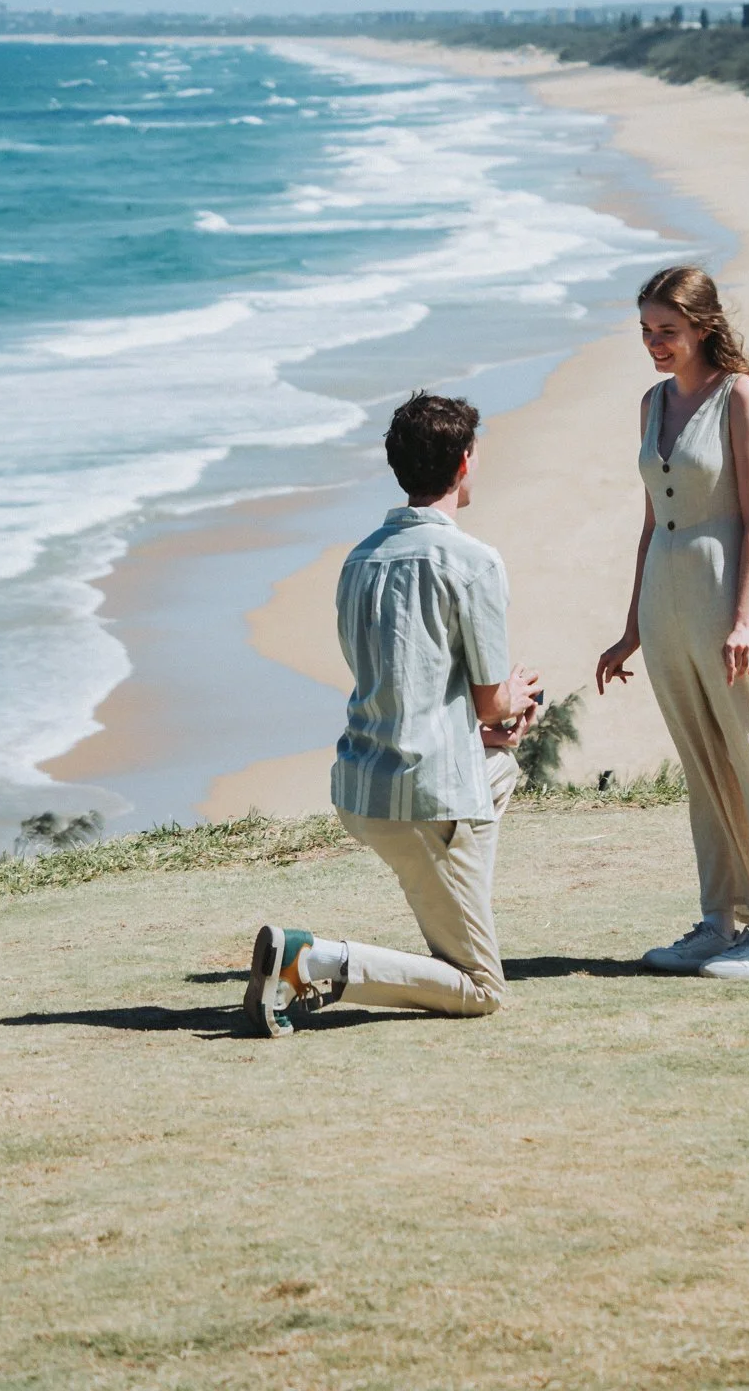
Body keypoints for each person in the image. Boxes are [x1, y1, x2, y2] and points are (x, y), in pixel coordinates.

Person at [245, 391, 540, 1037]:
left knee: (497, 766)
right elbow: (493, 699)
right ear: (465, 464)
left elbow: (404, 684)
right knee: (482, 989)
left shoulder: (358, 561)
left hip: (360, 786)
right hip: (424, 796)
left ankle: (462, 926)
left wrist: (483, 726)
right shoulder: (472, 560)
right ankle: (313, 959)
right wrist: (515, 700)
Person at [596, 266, 749, 980]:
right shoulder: (650, 403)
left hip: (729, 592)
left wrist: (742, 622)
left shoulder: (741, 396)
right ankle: (719, 919)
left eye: (666, 331)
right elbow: (649, 521)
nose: (653, 344)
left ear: (703, 326)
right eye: (645, 331)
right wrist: (629, 627)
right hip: (667, 596)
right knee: (702, 762)